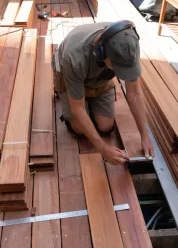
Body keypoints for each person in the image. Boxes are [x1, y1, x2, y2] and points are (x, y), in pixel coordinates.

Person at [52, 20, 154, 165]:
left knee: (105, 126)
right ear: (100, 53)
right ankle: (68, 93)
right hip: (69, 73)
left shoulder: (128, 46)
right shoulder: (74, 57)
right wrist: (103, 148)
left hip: (99, 77)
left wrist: (145, 136)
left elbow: (135, 94)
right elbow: (78, 108)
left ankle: (93, 92)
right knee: (79, 130)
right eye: (117, 68)